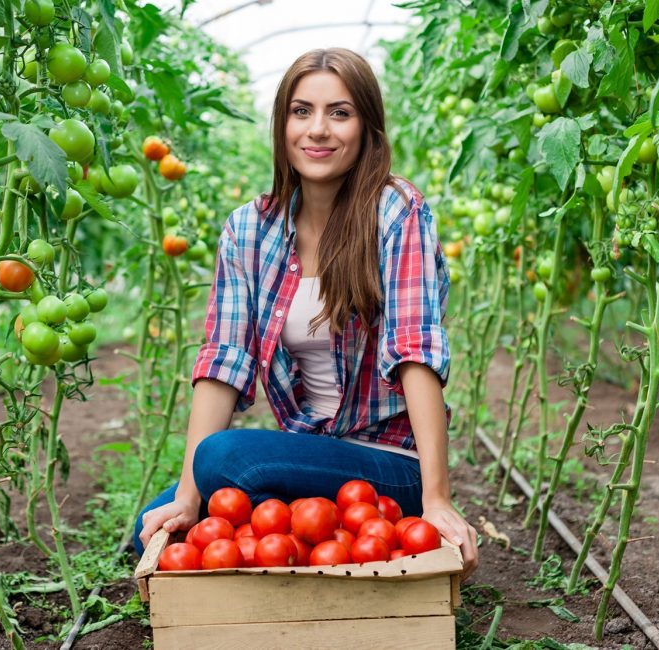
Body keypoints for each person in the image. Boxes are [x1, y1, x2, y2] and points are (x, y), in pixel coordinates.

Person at [135, 47, 478, 578]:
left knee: (227, 460)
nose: (318, 129)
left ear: (367, 127)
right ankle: (318, 532)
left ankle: (347, 521)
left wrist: (436, 498)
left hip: (388, 465)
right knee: (156, 525)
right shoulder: (249, 230)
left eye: (340, 113)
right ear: (282, 124)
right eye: (302, 111)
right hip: (307, 453)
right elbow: (223, 362)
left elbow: (416, 352)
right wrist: (186, 497)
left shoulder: (397, 212)